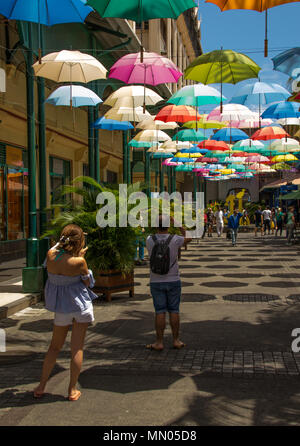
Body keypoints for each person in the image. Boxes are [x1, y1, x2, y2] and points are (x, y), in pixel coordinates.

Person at [33, 224, 98, 401]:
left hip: (61, 307)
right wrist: (80, 257)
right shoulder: (79, 262)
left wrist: (61, 243)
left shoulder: (51, 256)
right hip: (80, 306)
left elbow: (54, 251)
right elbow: (88, 282)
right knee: (76, 347)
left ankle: (41, 386)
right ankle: (72, 390)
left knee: (54, 347)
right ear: (79, 242)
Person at [146, 215, 191, 351]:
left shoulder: (149, 239)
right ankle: (176, 340)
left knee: (159, 311)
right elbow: (189, 237)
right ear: (168, 226)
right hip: (173, 280)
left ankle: (159, 342)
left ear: (156, 226)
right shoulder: (175, 239)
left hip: (155, 280)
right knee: (174, 310)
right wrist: (177, 223)